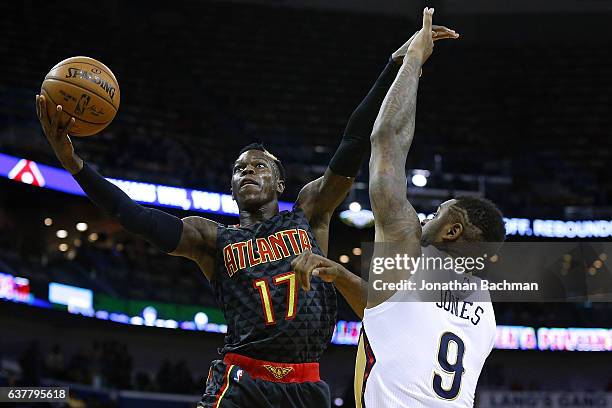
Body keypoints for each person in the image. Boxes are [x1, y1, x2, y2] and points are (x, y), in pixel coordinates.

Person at [34, 26, 456, 408]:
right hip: (241, 381)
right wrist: (75, 166)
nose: (248, 171)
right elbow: (132, 215)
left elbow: (353, 139)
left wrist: (394, 66)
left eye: (259, 167)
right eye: (239, 169)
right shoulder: (211, 238)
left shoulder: (310, 213)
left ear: (279, 185)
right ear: (232, 187)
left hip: (306, 386)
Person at [291, 8, 506, 407]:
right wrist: (340, 276)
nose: (426, 217)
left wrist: (412, 61)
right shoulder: (484, 307)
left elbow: (387, 137)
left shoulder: (406, 245)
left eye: (438, 212)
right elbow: (390, 316)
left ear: (453, 231)